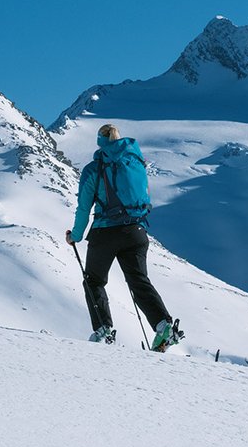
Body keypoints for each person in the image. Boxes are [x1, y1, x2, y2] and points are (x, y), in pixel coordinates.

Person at [66, 123, 177, 351]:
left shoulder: (93, 169)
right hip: (136, 231)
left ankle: (104, 330)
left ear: (100, 142)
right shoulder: (135, 162)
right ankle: (164, 325)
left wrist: (75, 236)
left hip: (105, 232)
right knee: (138, 281)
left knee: (94, 281)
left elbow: (84, 208)